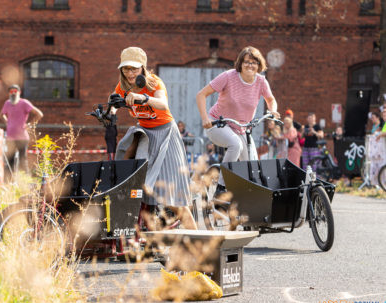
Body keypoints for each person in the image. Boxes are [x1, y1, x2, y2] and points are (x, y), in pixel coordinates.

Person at [113, 46, 197, 230]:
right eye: (126, 69)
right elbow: (114, 103)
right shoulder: (123, 86)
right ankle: (144, 228)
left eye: (134, 68)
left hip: (165, 133)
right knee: (132, 174)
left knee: (172, 194)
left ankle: (199, 241)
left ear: (142, 67)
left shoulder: (154, 83)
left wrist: (143, 98)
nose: (130, 73)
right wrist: (109, 112)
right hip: (144, 134)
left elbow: (163, 105)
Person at [196, 46, 279, 190]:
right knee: (236, 145)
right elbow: (201, 95)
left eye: (254, 62)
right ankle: (221, 187)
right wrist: (204, 118)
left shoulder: (261, 81)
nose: (250, 65)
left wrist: (273, 111)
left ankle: (244, 201)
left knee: (252, 167)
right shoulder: (228, 76)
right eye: (246, 61)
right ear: (240, 63)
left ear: (259, 65)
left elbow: (271, 100)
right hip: (218, 123)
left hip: (241, 129)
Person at [0, 84, 43, 180]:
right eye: (11, 92)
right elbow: (1, 115)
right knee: (10, 161)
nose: (13, 93)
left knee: (23, 161)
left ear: (19, 92)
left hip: (22, 138)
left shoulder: (24, 103)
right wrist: (7, 122)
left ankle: (25, 182)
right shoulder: (7, 103)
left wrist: (30, 125)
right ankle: (8, 182)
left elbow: (39, 114)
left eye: (15, 91)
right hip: (10, 137)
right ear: (9, 93)